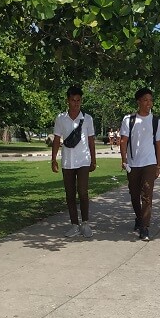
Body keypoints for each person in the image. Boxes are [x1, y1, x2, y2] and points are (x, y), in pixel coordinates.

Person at [51, 85, 97, 238]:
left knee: (83, 192)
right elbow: (57, 140)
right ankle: (74, 224)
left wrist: (93, 159)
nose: (76, 103)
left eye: (79, 100)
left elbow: (91, 141)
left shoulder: (88, 119)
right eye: (73, 100)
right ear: (68, 101)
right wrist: (53, 159)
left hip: (83, 160)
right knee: (70, 194)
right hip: (67, 162)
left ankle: (85, 223)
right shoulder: (60, 118)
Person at [119, 87, 160, 242]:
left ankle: (145, 227)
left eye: (150, 100)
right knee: (134, 194)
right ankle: (139, 217)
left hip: (149, 162)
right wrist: (124, 159)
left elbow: (159, 144)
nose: (148, 103)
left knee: (147, 195)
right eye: (145, 100)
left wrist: (158, 163)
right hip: (133, 163)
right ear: (138, 101)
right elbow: (123, 141)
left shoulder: (155, 121)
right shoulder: (129, 120)